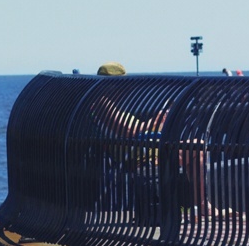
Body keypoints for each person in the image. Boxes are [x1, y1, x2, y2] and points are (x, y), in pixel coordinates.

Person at [91, 63, 233, 222]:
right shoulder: (102, 104)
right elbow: (131, 131)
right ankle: (200, 206)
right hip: (143, 158)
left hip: (146, 150)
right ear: (113, 85)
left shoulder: (104, 105)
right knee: (197, 147)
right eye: (123, 84)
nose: (126, 89)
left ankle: (199, 206)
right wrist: (156, 120)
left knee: (196, 147)